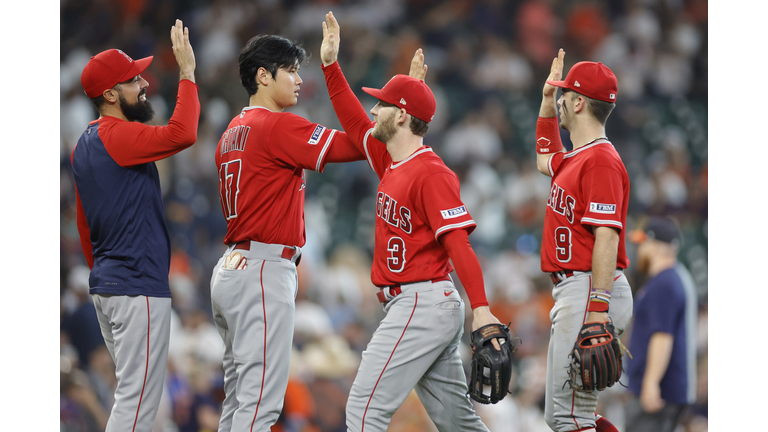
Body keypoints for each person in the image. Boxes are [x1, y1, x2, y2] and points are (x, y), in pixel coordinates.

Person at [320, 12, 506, 432]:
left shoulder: (431, 172)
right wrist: (331, 67)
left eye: (383, 103)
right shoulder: (392, 161)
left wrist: (482, 309)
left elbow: (459, 244)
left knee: (363, 412)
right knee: (459, 424)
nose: (374, 107)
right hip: (421, 305)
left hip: (422, 302)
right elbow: (354, 124)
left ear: (402, 116)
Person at [208, 33, 368, 432]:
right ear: (263, 75)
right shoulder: (275, 127)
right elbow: (362, 142)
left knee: (239, 401)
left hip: (231, 268)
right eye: (291, 71)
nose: (298, 80)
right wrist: (333, 71)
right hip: (262, 269)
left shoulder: (231, 131)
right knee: (261, 403)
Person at [70, 20, 199, 432]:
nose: (143, 83)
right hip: (135, 283)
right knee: (137, 407)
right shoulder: (116, 134)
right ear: (110, 94)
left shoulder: (84, 143)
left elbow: (84, 226)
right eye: (132, 79)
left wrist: (103, 276)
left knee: (134, 400)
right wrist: (187, 73)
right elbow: (184, 133)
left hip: (109, 285)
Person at [533, 49, 633, 432]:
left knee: (567, 416)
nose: (558, 101)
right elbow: (545, 158)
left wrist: (597, 310)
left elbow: (606, 238)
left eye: (562, 95)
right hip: (578, 289)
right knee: (569, 414)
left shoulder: (601, 161)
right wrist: (544, 103)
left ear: (578, 102)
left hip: (590, 288)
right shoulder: (578, 157)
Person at [624, 216, 697, 432]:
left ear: (656, 246)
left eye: (643, 243)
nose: (639, 250)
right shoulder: (676, 277)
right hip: (670, 389)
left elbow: (662, 336)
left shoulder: (663, 282)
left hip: (660, 391)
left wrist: (651, 382)